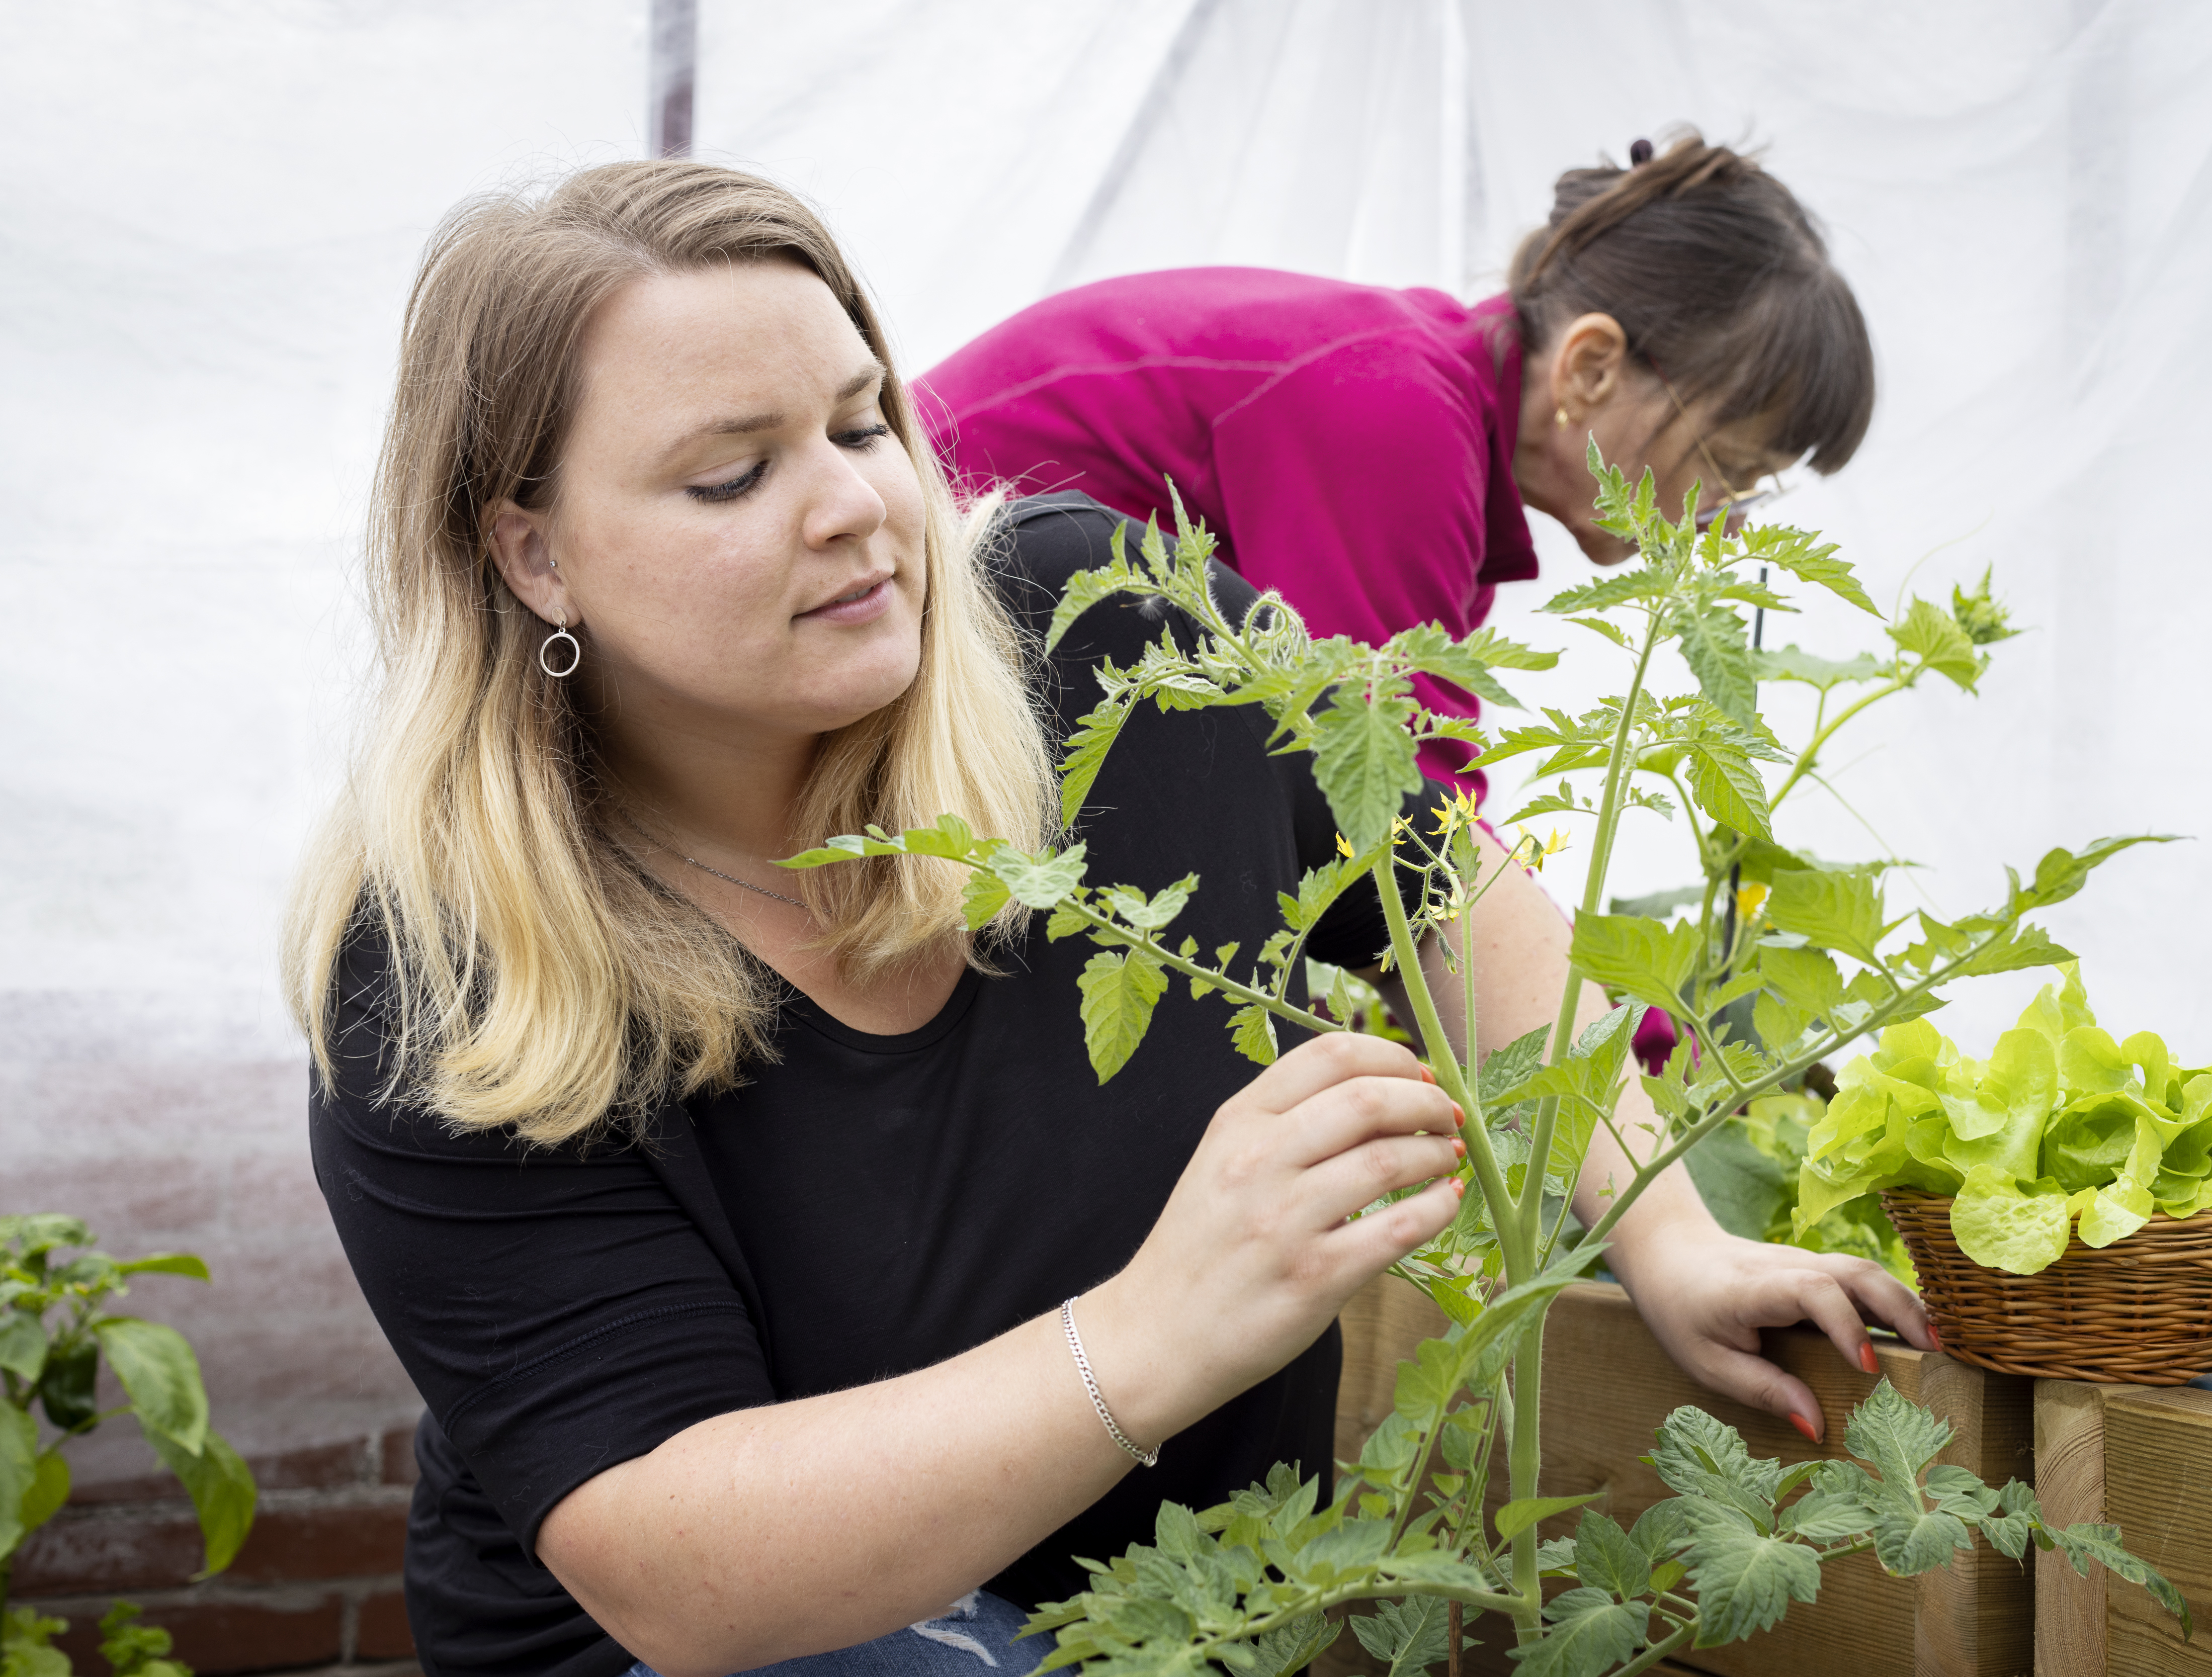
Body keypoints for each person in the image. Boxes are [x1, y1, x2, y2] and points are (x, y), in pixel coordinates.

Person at [287, 161, 1926, 1677]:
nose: (857, 506)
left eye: (863, 427)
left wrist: (1667, 1231)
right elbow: (672, 1558)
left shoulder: (1108, 638)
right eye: (731, 473)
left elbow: (1442, 884)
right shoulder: (450, 976)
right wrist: (1157, 1326)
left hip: (1180, 1616)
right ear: (533, 553)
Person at [915, 130, 1874, 803]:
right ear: (1591, 366)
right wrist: (1641, 1053)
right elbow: (1399, 811)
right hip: (892, 649)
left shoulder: (1425, 402)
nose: (1731, 518)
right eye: (1728, 464)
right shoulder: (1396, 418)